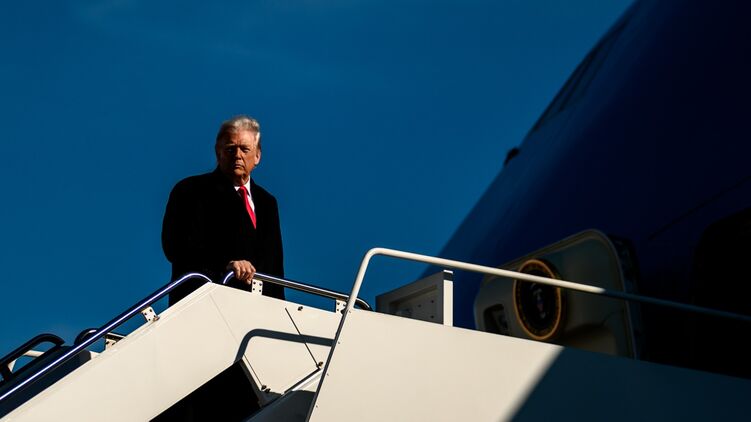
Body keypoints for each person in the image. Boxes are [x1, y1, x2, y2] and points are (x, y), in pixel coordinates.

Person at [162, 115, 284, 305]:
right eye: (230, 149)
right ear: (218, 153)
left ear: (257, 156)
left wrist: (279, 309)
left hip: (256, 309)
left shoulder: (267, 203)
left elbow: (274, 266)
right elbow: (176, 247)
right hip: (203, 303)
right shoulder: (191, 190)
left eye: (244, 149)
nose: (238, 155)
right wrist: (226, 265)